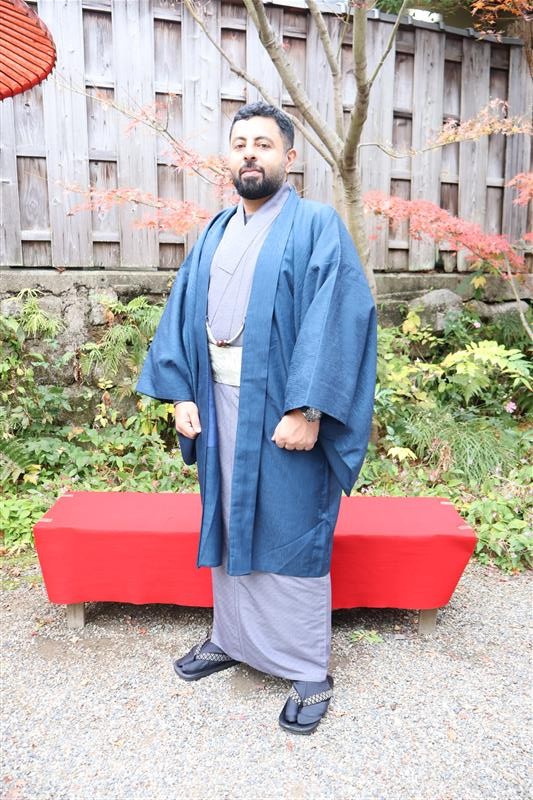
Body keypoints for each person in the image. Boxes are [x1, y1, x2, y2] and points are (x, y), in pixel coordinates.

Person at [136, 102, 377, 735]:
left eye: (263, 144)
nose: (249, 153)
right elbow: (183, 316)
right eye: (240, 142)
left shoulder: (317, 225)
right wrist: (182, 394)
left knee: (290, 525)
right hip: (217, 402)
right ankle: (232, 637)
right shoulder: (216, 229)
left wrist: (309, 408)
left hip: (283, 407)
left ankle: (308, 668)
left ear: (288, 158)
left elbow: (339, 318)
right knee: (226, 516)